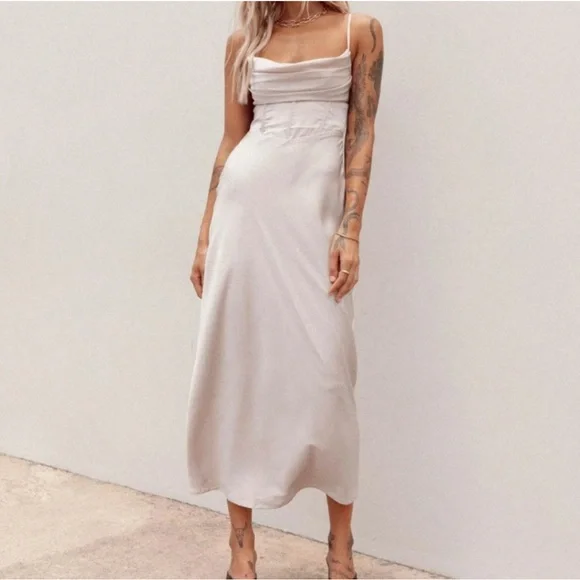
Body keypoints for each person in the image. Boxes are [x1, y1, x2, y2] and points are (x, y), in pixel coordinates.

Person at [187, 2, 383, 578]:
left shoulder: (359, 32)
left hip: (315, 225)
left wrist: (350, 228)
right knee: (240, 372)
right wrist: (205, 235)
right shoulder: (244, 42)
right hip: (245, 218)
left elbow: (362, 134)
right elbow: (231, 141)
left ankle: (341, 550)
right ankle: (241, 549)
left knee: (329, 379)